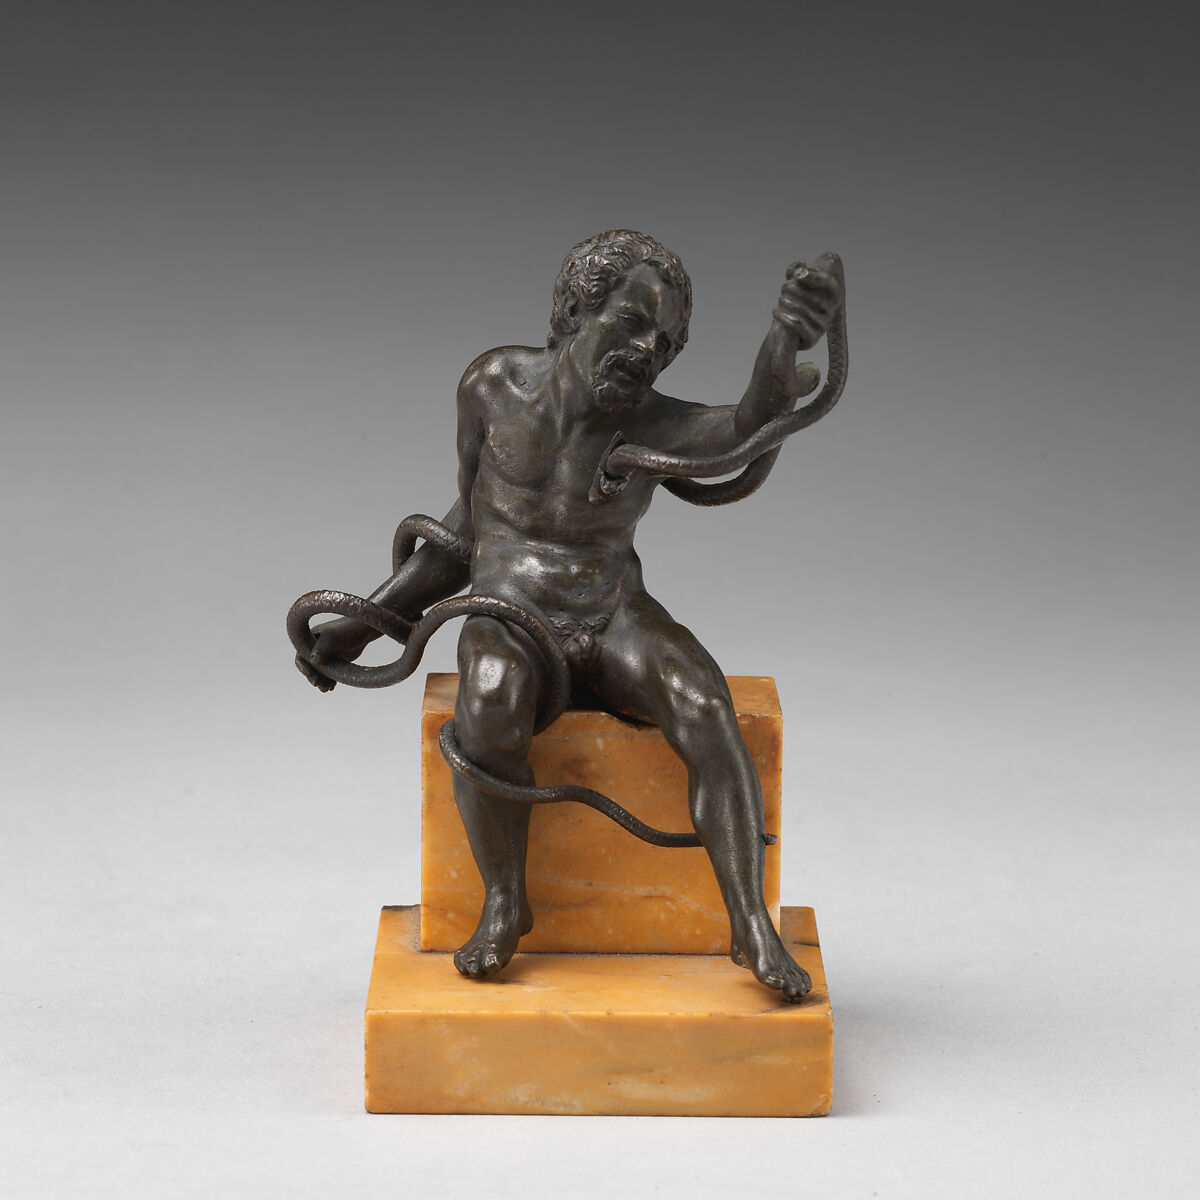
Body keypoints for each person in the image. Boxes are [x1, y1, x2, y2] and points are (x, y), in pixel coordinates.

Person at [299, 231, 843, 1002]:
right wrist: (364, 622)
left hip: (611, 610)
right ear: (575, 309)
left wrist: (783, 342)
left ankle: (750, 925)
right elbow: (465, 532)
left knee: (704, 701)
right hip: (510, 610)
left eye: (665, 344)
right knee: (489, 697)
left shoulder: (651, 424)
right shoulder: (491, 387)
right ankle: (504, 901)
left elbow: (745, 425)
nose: (646, 352)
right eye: (633, 323)